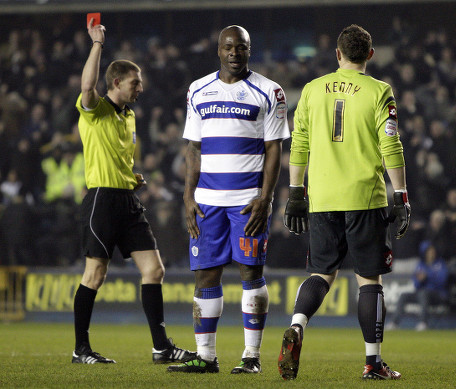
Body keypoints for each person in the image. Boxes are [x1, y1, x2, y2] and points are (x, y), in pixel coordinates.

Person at [277, 25, 411, 381]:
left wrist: (295, 193)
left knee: (321, 273)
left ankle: (297, 326)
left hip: (321, 198)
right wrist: (401, 196)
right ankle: (372, 363)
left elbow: (299, 144)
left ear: (337, 54)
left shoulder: (311, 90)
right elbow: (391, 146)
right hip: (364, 197)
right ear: (370, 54)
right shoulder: (380, 91)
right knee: (369, 281)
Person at [167, 25, 290, 374]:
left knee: (250, 273)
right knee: (205, 276)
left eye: (242, 47)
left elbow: (274, 149)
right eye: (228, 47)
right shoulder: (198, 90)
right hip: (207, 203)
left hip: (246, 202)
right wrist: (188, 197)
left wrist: (265, 199)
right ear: (218, 51)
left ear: (250, 50)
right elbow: (193, 148)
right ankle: (205, 357)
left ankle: (251, 357)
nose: (235, 53)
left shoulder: (270, 92)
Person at [71, 17, 194, 364]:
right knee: (95, 274)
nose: (141, 88)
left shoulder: (128, 115)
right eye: (135, 83)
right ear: (116, 83)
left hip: (127, 199)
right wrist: (97, 44)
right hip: (101, 201)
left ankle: (161, 347)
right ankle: (81, 349)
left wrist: (131, 177)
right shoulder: (95, 111)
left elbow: (115, 156)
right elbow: (85, 89)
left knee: (154, 270)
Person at [387, 241, 449, 331]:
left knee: (423, 294)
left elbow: (443, 281)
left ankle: (423, 322)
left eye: (432, 251)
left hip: (438, 294)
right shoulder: (421, 265)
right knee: (404, 295)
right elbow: (415, 284)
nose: (431, 253)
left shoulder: (440, 264)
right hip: (421, 293)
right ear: (424, 253)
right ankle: (394, 322)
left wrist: (427, 276)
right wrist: (420, 280)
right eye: (429, 251)